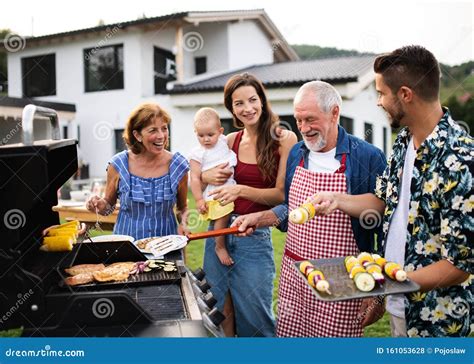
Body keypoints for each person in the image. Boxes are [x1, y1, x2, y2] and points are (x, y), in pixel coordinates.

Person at [310, 46, 473, 337]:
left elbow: (459, 265)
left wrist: (389, 283)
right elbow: (384, 202)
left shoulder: (461, 160)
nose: (378, 102)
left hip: (436, 321)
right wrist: (337, 200)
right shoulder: (403, 142)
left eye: (381, 93)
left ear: (405, 95)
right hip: (399, 305)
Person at [233, 80, 387, 337]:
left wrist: (378, 291)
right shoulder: (296, 153)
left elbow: (383, 216)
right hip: (296, 277)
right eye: (298, 120)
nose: (303, 128)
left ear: (334, 112)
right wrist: (261, 218)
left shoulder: (367, 157)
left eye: (310, 119)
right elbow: (291, 207)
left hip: (342, 279)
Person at [201, 73, 297, 337]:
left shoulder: (284, 139)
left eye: (252, 100)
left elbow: (281, 194)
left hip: (253, 237)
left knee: (256, 319)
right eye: (239, 103)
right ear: (231, 109)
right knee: (218, 312)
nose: (247, 108)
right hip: (218, 233)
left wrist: (241, 190)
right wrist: (204, 176)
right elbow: (202, 170)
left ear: (262, 101)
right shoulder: (229, 141)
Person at [86, 102, 189, 240]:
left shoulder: (178, 166)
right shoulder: (118, 165)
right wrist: (98, 205)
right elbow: (109, 206)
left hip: (167, 247)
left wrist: (184, 223)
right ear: (137, 135)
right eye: (153, 130)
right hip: (127, 248)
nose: (161, 136)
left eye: (164, 128)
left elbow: (182, 208)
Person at [189, 107, 237, 266]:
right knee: (222, 216)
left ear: (220, 131)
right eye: (200, 135)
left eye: (210, 135)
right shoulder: (198, 153)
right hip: (214, 194)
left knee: (227, 216)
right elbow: (195, 178)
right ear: (195, 133)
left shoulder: (224, 141)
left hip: (231, 187)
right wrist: (198, 200)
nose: (206, 139)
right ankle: (219, 246)